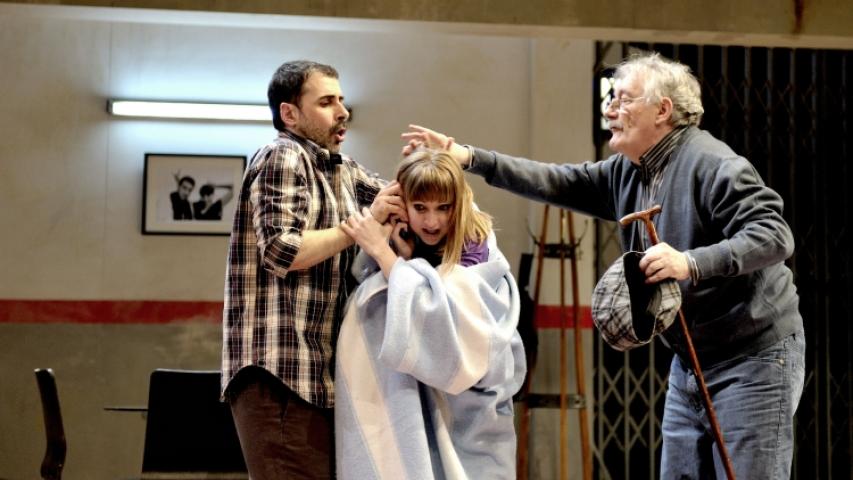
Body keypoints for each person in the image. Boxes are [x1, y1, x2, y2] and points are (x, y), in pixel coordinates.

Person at [402, 53, 805, 479]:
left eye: (623, 99)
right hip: (690, 362)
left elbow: (774, 235)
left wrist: (689, 262)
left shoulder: (713, 164)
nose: (610, 108)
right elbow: (556, 180)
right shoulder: (627, 171)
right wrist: (467, 157)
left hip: (753, 359)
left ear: (662, 110)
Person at [221, 60, 405, 480]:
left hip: (320, 373)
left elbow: (402, 203)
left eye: (341, 100)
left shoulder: (342, 168)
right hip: (280, 375)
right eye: (326, 102)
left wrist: (438, 166)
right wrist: (364, 224)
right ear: (289, 114)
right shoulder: (283, 155)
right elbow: (282, 250)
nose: (342, 112)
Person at [337, 148, 525, 479]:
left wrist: (385, 255)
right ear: (403, 204)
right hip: (415, 404)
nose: (432, 221)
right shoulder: (403, 237)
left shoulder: (475, 243)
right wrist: (400, 257)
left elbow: (449, 329)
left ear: (458, 205)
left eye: (443, 208)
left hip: (476, 418)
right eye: (420, 208)